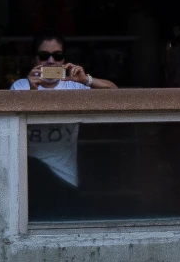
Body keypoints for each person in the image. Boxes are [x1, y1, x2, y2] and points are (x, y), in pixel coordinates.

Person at [12, 34, 116, 220]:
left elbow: (116, 96)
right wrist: (32, 91)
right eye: (44, 56)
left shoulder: (73, 86)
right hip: (29, 179)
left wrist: (86, 80)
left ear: (64, 60)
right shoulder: (21, 86)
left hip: (65, 178)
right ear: (34, 59)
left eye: (57, 56)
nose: (51, 61)